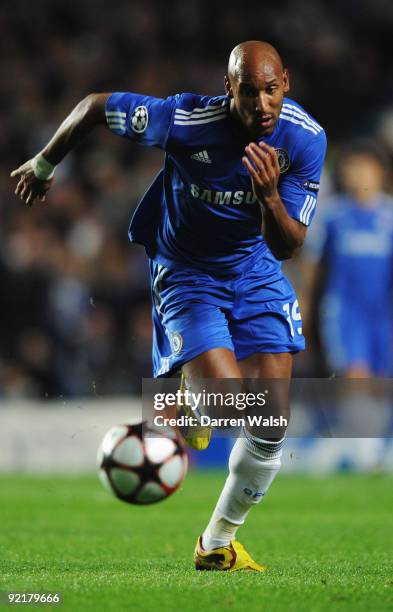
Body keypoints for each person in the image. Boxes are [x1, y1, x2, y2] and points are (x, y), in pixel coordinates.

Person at [10, 40, 327, 572]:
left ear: (286, 84)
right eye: (248, 92)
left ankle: (216, 543)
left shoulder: (305, 138)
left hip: (256, 270)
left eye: (271, 91)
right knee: (230, 407)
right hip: (187, 273)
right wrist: (44, 164)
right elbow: (94, 106)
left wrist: (271, 196)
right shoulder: (184, 120)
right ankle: (195, 399)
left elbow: (288, 245)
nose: (262, 105)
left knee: (271, 424)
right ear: (229, 89)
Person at [309, 141, 393, 378]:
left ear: (381, 172)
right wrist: (305, 308)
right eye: (351, 167)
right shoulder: (331, 215)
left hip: (383, 315)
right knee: (356, 382)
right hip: (345, 314)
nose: (357, 174)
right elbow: (312, 265)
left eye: (364, 167)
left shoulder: (389, 216)